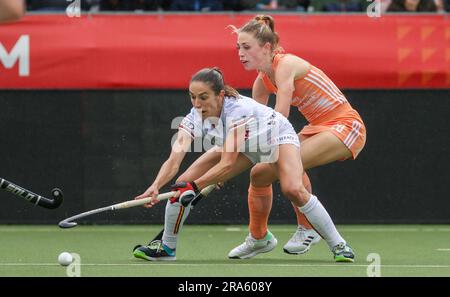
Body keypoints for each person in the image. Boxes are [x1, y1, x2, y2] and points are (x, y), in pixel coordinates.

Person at [133, 67, 354, 262]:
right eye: (192, 97)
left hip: (276, 138)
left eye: (203, 97)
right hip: (245, 146)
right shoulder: (193, 117)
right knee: (180, 184)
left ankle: (339, 245)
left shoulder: (237, 110)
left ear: (220, 95)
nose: (197, 104)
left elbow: (227, 165)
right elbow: (174, 159)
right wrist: (155, 186)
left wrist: (196, 186)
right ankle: (167, 248)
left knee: (293, 189)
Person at [224, 14, 367, 258]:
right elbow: (254, 129)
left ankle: (310, 229)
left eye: (246, 47)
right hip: (317, 128)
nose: (240, 53)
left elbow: (280, 117)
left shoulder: (286, 64)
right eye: (238, 47)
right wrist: (224, 166)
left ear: (266, 47)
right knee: (259, 174)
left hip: (346, 125)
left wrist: (259, 149)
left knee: (289, 162)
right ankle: (258, 238)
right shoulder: (261, 83)